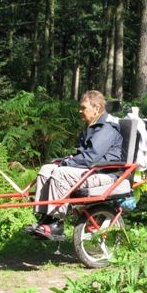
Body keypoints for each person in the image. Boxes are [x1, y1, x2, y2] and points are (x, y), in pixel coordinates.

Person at [25, 90, 123, 240]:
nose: (80, 111)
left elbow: (91, 158)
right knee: (46, 169)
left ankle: (57, 223)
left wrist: (67, 163)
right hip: (90, 171)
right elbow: (81, 155)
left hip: (104, 174)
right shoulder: (91, 127)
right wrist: (63, 160)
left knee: (60, 172)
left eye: (83, 107)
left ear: (96, 108)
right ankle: (45, 218)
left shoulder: (106, 129)